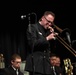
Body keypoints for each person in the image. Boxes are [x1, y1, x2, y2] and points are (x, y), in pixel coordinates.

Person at [25, 11, 58, 75]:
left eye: (51, 22)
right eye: (48, 21)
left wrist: (53, 38)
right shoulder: (32, 27)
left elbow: (52, 49)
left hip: (46, 66)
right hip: (36, 65)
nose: (49, 24)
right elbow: (32, 44)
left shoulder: (47, 31)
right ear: (43, 18)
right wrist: (47, 38)